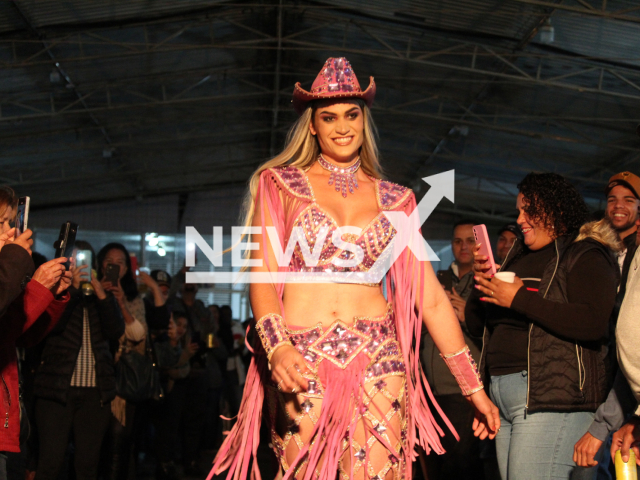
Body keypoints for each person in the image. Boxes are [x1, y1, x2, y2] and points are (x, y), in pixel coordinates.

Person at [208, 57, 499, 480]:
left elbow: (432, 301)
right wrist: (279, 348)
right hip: (300, 359)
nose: (342, 126)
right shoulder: (280, 185)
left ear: (364, 120)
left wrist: (474, 389)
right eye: (329, 117)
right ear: (312, 125)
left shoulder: (398, 198)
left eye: (352, 114)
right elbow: (264, 277)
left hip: (379, 358)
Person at [468, 172, 620, 480]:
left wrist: (520, 299)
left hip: (552, 398)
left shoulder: (584, 253)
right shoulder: (517, 258)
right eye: (518, 211)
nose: (520, 219)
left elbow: (593, 322)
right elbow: (476, 326)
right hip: (503, 396)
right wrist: (480, 283)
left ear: (555, 210)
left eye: (528, 210)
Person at [33, 241, 124, 480]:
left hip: (96, 394)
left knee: (87, 466)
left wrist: (101, 293)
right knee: (51, 464)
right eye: (73, 261)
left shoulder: (100, 298)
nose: (79, 266)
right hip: (57, 392)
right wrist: (71, 290)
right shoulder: (54, 294)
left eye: (84, 261)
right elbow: (49, 327)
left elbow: (115, 331)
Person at [573, 172, 640, 478]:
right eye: (612, 199)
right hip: (613, 381)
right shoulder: (597, 250)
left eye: (629, 199)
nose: (618, 206)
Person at [0, 198, 72, 479]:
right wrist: (35, 285)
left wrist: (50, 295)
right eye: (2, 223)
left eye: (10, 222)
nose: (11, 232)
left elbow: (20, 335)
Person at [97, 242, 168, 480]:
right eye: (109, 262)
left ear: (126, 268)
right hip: (93, 376)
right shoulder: (91, 291)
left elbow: (140, 333)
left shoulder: (134, 299)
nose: (114, 266)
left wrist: (120, 303)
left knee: (120, 444)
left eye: (120, 262)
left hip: (123, 381)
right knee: (92, 446)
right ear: (100, 264)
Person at [421, 220, 485, 480]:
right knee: (433, 463)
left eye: (470, 240)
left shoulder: (487, 283)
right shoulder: (437, 280)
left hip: (464, 391)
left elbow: (496, 334)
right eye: (458, 241)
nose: (464, 246)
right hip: (431, 391)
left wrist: (466, 315)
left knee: (460, 465)